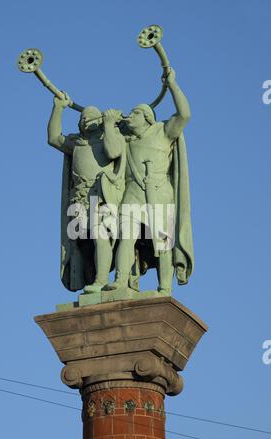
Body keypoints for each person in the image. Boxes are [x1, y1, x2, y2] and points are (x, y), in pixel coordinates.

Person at [106, 67, 194, 295]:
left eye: (135, 113)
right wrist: (108, 123)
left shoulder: (162, 132)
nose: (130, 116)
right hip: (133, 192)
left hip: (159, 192)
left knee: (163, 244)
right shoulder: (126, 140)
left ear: (147, 117)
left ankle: (165, 288)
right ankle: (120, 280)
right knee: (126, 236)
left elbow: (184, 114)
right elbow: (106, 147)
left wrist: (172, 84)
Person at [48, 93, 126, 293]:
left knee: (101, 236)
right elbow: (54, 138)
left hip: (102, 196)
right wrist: (58, 108)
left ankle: (101, 280)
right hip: (79, 199)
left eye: (89, 118)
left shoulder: (109, 137)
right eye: (82, 119)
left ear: (99, 121)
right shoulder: (77, 144)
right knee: (83, 244)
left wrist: (109, 124)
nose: (84, 121)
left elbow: (113, 152)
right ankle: (90, 280)